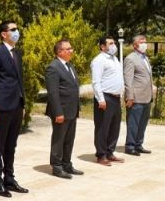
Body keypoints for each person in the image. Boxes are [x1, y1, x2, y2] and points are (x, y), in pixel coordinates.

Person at [0, 21, 29, 197]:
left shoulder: (17, 53)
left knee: (11, 145)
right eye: (13, 30)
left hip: (16, 105)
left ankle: (9, 179)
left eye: (17, 29)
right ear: (4, 34)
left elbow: (19, 80)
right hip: (2, 106)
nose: (17, 32)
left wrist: (23, 104)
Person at [44, 39, 84, 179]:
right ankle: (57, 167)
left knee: (69, 139)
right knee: (59, 140)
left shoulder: (69, 65)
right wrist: (58, 112)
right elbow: (53, 92)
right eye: (68, 49)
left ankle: (67, 164)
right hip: (61, 111)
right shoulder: (53, 67)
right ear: (60, 51)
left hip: (72, 110)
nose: (71, 51)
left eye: (71, 48)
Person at [91, 36, 125, 166]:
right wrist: (101, 99)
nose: (114, 45)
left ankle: (110, 152)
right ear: (102, 46)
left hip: (115, 98)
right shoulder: (99, 60)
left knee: (114, 126)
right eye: (110, 43)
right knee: (102, 127)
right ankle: (101, 155)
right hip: (105, 97)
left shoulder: (115, 59)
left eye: (114, 43)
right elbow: (96, 82)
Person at [123, 35, 153, 156]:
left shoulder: (145, 58)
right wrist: (129, 97)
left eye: (145, 42)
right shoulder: (130, 59)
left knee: (142, 123)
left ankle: (138, 144)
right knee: (133, 123)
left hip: (147, 96)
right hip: (135, 97)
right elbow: (128, 80)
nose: (144, 44)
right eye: (141, 42)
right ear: (135, 45)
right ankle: (130, 146)